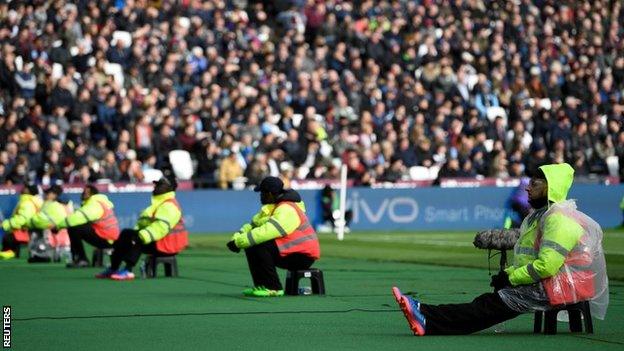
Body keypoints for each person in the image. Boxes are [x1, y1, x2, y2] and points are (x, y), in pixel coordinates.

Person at [392, 163, 609, 335]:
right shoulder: (545, 216)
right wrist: (508, 274)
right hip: (553, 284)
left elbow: (546, 267)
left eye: (534, 184)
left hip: (558, 287)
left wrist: (511, 278)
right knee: (488, 305)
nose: (527, 188)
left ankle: (426, 317)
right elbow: (536, 263)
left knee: (488, 306)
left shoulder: (558, 220)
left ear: (549, 187)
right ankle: (426, 317)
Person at [227, 176, 320, 297]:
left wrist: (239, 243)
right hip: (290, 251)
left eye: (262, 193)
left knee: (259, 245)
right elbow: (251, 226)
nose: (260, 195)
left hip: (303, 256)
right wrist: (236, 238)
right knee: (252, 244)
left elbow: (268, 231)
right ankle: (261, 286)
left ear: (270, 194)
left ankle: (273, 288)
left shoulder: (287, 208)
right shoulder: (273, 207)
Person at [100, 171, 188, 280]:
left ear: (168, 188)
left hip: (168, 244)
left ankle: (128, 270)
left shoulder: (170, 205)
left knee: (139, 239)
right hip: (161, 240)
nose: (155, 186)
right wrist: (135, 235)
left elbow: (160, 227)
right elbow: (143, 223)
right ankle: (114, 268)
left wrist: (139, 236)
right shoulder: (159, 203)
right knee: (127, 234)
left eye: (159, 184)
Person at [54, 185, 120, 268]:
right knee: (78, 226)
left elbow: (77, 218)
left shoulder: (94, 204)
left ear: (91, 194)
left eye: (85, 192)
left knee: (74, 227)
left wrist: (58, 226)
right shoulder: (100, 203)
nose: (82, 194)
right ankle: (82, 259)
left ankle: (81, 259)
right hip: (108, 237)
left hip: (107, 239)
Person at [27, 185, 71, 262]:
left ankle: (42, 254)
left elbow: (40, 220)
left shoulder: (53, 205)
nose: (45, 195)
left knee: (37, 230)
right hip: (61, 236)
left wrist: (29, 222)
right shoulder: (63, 204)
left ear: (54, 195)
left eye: (48, 193)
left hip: (55, 235)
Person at [0, 184, 43, 260]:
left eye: (25, 188)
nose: (23, 189)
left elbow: (22, 219)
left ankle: (9, 253)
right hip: (34, 231)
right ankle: (13, 253)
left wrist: (5, 224)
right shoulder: (35, 201)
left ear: (28, 191)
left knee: (8, 237)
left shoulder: (27, 202)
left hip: (26, 231)